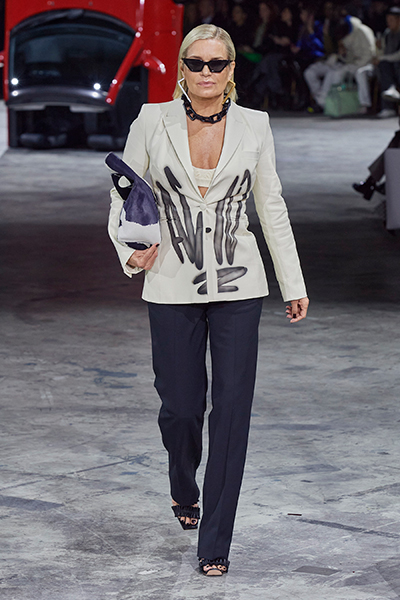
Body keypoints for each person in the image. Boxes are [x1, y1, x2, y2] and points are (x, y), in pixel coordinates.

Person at [108, 24, 308, 577]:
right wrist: (131, 253)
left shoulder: (255, 125)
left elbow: (271, 205)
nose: (206, 72)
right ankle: (183, 484)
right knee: (180, 408)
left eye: (216, 64)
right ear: (182, 68)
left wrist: (292, 282)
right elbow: (124, 193)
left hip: (240, 286)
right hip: (170, 280)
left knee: (233, 412)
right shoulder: (152, 121)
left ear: (231, 70)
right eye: (195, 63)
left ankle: (215, 542)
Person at [304, 14, 376, 110]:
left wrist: (349, 62)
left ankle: (362, 105)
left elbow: (369, 55)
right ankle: (322, 101)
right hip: (347, 63)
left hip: (366, 64)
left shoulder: (363, 31)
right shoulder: (342, 34)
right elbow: (346, 57)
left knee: (337, 73)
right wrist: (343, 54)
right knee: (316, 72)